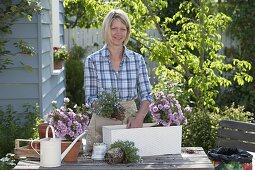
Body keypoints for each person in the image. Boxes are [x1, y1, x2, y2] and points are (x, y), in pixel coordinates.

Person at [84, 9, 153, 152]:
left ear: (127, 32)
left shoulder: (137, 60)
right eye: (114, 28)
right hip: (102, 124)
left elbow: (147, 95)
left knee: (132, 160)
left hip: (131, 122)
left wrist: (139, 117)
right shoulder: (92, 60)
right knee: (99, 163)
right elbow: (90, 98)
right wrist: (108, 109)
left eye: (123, 29)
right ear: (106, 30)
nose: (118, 33)